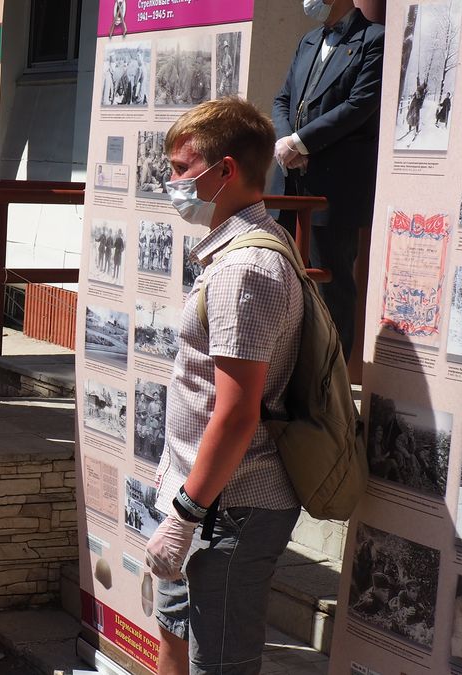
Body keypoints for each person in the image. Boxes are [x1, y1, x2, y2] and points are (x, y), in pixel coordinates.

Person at [143, 97, 303, 675]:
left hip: (229, 507)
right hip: (201, 498)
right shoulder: (230, 253)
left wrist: (186, 516)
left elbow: (237, 415)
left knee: (221, 665)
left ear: (226, 171)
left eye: (184, 169)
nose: (173, 181)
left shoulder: (244, 271)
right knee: (175, 642)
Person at [272, 0, 384, 358]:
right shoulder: (307, 41)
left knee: (329, 284)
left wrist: (303, 143)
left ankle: (328, 389)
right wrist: (285, 140)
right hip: (289, 183)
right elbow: (283, 98)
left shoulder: (373, 40)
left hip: (332, 188)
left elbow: (359, 105)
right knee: (282, 277)